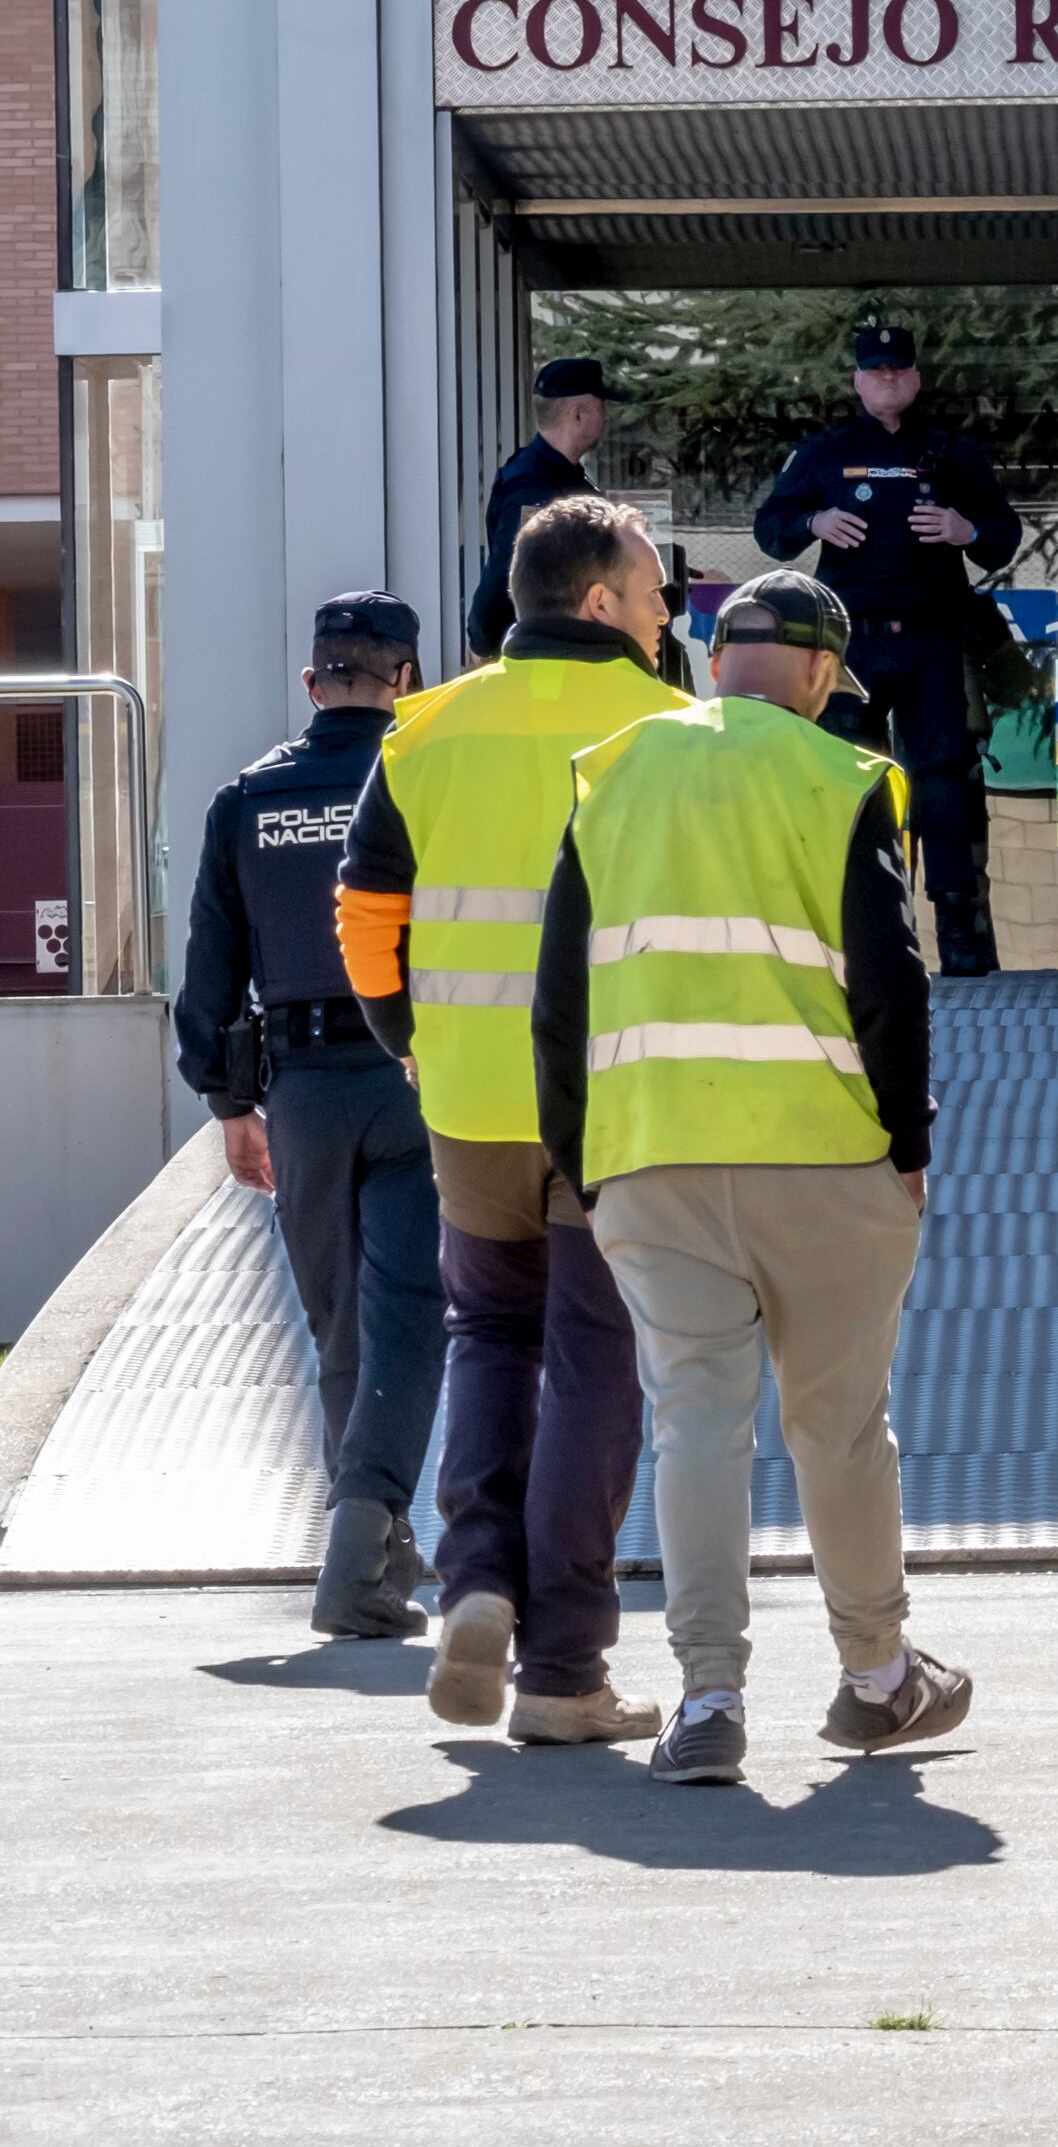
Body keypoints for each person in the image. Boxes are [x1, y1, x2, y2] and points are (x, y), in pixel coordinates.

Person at [532, 570, 971, 1785]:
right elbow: (891, 980)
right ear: (824, 675)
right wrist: (907, 1145)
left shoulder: (610, 772)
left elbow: (559, 995)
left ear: (715, 657)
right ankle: (877, 1677)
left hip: (652, 1157)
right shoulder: (839, 780)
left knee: (695, 1428)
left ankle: (710, 1701)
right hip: (826, 1159)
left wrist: (581, 1159)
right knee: (837, 1426)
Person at [339, 497, 688, 1746]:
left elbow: (367, 912)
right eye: (654, 591)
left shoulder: (425, 730)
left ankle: (476, 1578)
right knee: (598, 1357)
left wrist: (411, 1043)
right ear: (598, 602)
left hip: (472, 1101)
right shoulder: (672, 732)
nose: (666, 613)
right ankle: (565, 1671)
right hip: (620, 1105)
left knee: (491, 1332)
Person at [173, 592, 448, 1639]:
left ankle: (372, 1541)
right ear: (407, 678)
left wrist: (227, 1102)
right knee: (411, 1309)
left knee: (338, 1321)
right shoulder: (423, 778)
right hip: (416, 1076)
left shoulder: (249, 798)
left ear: (312, 681)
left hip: (299, 1090)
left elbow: (211, 968)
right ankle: (367, 1529)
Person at [752, 322, 1022, 979]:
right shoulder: (827, 452)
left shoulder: (948, 451)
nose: (887, 380)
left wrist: (964, 528)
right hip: (853, 648)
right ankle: (859, 926)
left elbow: (1002, 533)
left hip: (931, 640)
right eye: (875, 371)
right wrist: (813, 522)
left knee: (940, 782)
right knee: (852, 786)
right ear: (857, 380)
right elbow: (770, 529)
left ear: (916, 378)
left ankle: (958, 934)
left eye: (897, 370)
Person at [468, 357, 629, 663]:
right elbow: (510, 567)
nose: (606, 419)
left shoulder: (563, 477)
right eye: (601, 408)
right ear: (578, 414)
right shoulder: (534, 486)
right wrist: (482, 645)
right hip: (532, 658)